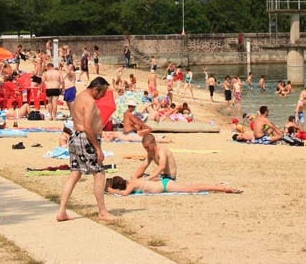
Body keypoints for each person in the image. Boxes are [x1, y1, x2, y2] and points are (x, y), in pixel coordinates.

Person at [56, 77, 116, 222]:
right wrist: (98, 148)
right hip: (86, 139)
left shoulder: (79, 97)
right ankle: (102, 212)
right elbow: (88, 127)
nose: (102, 96)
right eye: (102, 93)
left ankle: (62, 211)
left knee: (75, 173)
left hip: (76, 137)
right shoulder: (89, 101)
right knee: (99, 173)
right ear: (96, 89)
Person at [106, 175, 241, 195]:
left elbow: (124, 193)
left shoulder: (130, 186)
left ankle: (223, 188)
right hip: (164, 183)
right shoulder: (133, 180)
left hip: (166, 186)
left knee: (194, 188)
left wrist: (112, 191)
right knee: (194, 186)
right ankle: (217, 185)